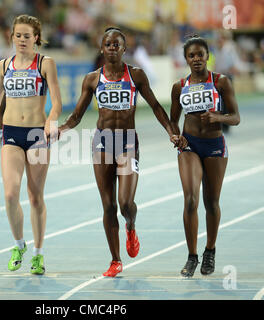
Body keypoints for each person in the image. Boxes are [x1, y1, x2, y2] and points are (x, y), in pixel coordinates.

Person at [58, 27, 183, 277]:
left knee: (125, 203)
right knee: (107, 206)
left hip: (127, 142)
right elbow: (76, 116)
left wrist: (172, 130)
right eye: (108, 44)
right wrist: (61, 128)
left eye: (117, 44)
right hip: (102, 142)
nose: (112, 48)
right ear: (101, 49)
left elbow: (157, 107)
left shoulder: (135, 75)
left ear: (124, 49)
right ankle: (115, 260)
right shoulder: (93, 79)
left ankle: (131, 225)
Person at [0, 15, 62, 275]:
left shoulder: (45, 63)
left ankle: (39, 254)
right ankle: (19, 244)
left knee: (35, 196)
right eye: (17, 35)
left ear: (36, 38)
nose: (21, 40)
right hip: (10, 134)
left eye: (27, 36)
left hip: (36, 135)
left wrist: (51, 121)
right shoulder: (4, 65)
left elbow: (57, 102)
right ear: (11, 37)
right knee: (10, 194)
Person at [169, 35, 240, 277]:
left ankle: (210, 250)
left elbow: (235, 117)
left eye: (200, 54)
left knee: (211, 202)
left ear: (207, 56)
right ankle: (192, 256)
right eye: (192, 55)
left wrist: (217, 117)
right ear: (186, 59)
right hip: (190, 145)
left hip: (214, 146)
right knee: (190, 200)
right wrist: (175, 135)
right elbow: (172, 120)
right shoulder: (179, 86)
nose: (196, 59)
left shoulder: (221, 82)